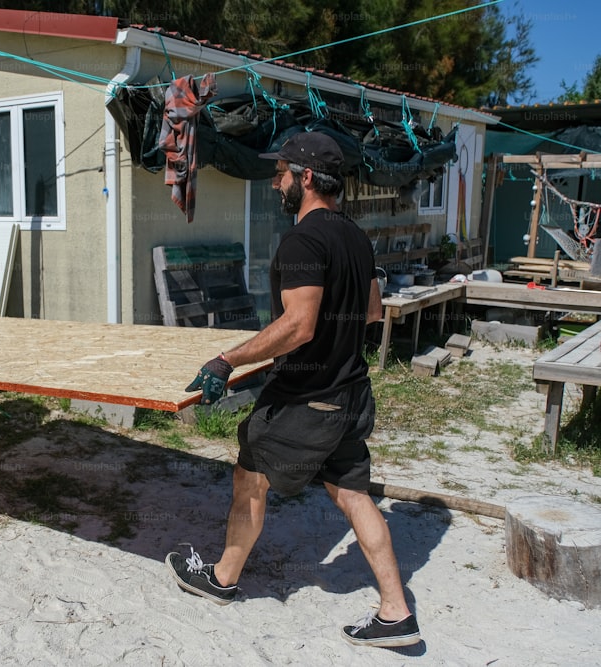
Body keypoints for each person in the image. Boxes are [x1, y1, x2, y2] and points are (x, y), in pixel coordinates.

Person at [166, 132, 420, 648]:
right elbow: (372, 312)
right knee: (353, 494)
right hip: (349, 392)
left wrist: (226, 359)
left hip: (307, 396)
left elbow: (299, 325)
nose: (274, 181)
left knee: (250, 476)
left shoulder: (303, 240)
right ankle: (397, 611)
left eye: (280, 172)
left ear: (306, 178)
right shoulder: (354, 235)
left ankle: (222, 578)